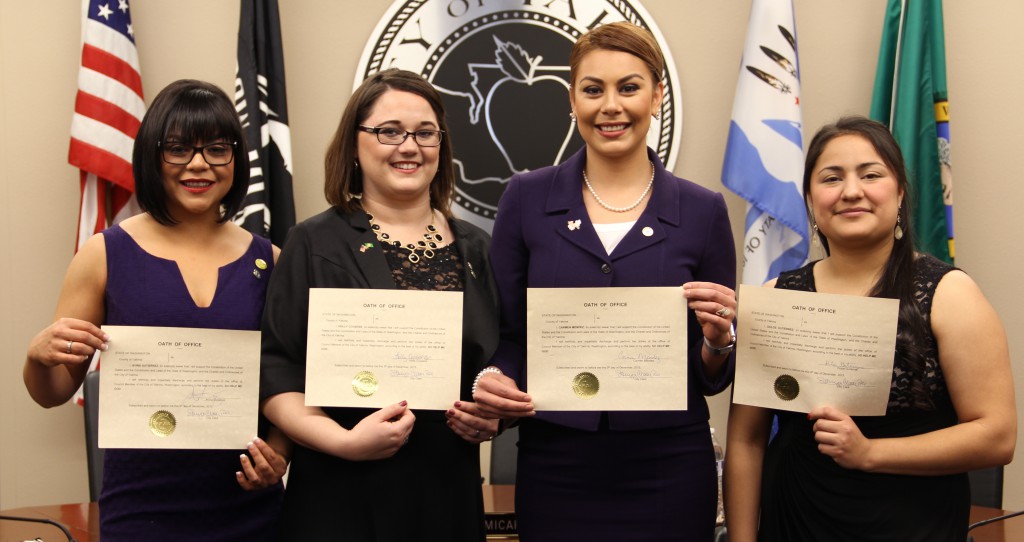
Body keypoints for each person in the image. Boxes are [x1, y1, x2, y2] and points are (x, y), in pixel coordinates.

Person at [473, 22, 738, 541]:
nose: (610, 106)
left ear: (657, 95)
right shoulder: (525, 198)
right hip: (556, 463)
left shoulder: (703, 210)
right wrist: (494, 379)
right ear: (572, 99)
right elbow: (506, 335)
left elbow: (712, 375)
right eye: (593, 89)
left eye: (629, 87)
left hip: (669, 466)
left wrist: (718, 341)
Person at [724, 116, 1016, 542]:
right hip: (794, 519)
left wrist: (869, 453)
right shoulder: (776, 296)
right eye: (831, 178)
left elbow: (996, 437)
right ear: (810, 201)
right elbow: (747, 441)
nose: (851, 191)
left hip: (913, 523)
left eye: (871, 174)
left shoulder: (950, 294)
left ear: (900, 193)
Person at [23, 79, 287, 540]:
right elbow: (53, 392)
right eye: (179, 149)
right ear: (153, 156)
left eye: (217, 149)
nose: (199, 164)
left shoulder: (272, 260)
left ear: (235, 160)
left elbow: (290, 382)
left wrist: (281, 453)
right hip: (142, 509)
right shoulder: (104, 254)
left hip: (251, 508)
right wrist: (37, 357)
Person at [259, 68, 500, 540]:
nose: (408, 147)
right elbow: (277, 370)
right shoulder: (312, 242)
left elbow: (500, 360)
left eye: (425, 133)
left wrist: (497, 415)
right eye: (388, 131)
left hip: (446, 494)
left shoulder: (478, 248)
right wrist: (345, 443)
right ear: (354, 144)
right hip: (339, 494)